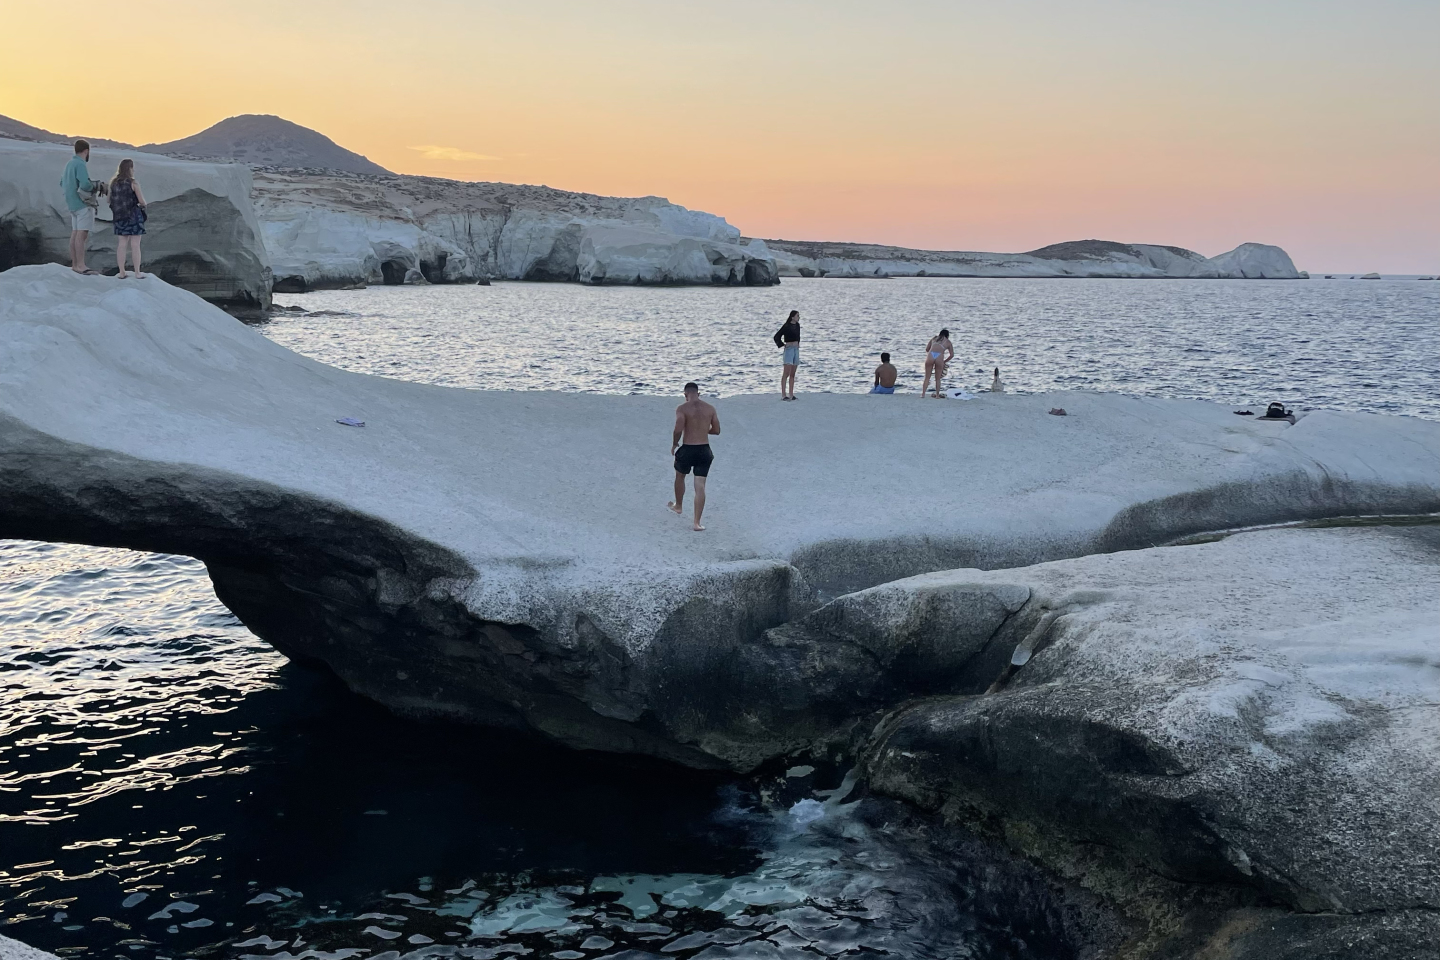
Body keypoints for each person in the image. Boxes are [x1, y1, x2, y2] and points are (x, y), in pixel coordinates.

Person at [668, 382, 721, 531]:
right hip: (704, 450)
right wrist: (703, 430)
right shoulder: (710, 408)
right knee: (700, 486)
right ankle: (697, 523)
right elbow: (716, 430)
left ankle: (678, 506)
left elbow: (678, 427)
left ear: (685, 395)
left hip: (688, 449)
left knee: (680, 476)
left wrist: (674, 443)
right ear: (698, 393)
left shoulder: (682, 408)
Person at [61, 140, 103, 275]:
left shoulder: (69, 164)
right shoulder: (80, 164)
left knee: (75, 233)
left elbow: (62, 182)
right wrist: (95, 186)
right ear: (86, 151)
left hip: (72, 204)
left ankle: (74, 264)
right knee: (82, 234)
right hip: (83, 204)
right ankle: (81, 265)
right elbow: (84, 184)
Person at [109, 159, 148, 278]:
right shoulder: (133, 183)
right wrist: (142, 205)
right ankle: (137, 272)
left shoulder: (114, 183)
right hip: (133, 216)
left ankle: (121, 272)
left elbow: (108, 200)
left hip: (119, 217)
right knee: (135, 244)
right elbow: (142, 201)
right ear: (129, 169)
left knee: (122, 244)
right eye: (132, 167)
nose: (134, 169)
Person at [773, 310, 801, 400]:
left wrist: (798, 344)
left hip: (796, 349)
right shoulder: (786, 326)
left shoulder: (797, 326)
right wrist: (783, 345)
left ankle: (791, 394)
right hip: (789, 350)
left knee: (793, 373)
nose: (798, 317)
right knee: (786, 373)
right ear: (792, 317)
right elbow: (776, 336)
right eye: (797, 316)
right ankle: (783, 395)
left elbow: (798, 336)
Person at [920, 329, 954, 398]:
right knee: (938, 378)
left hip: (931, 355)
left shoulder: (934, 338)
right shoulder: (948, 342)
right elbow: (952, 355)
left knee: (927, 377)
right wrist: (944, 361)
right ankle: (937, 395)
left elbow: (927, 349)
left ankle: (923, 394)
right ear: (947, 335)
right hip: (939, 356)